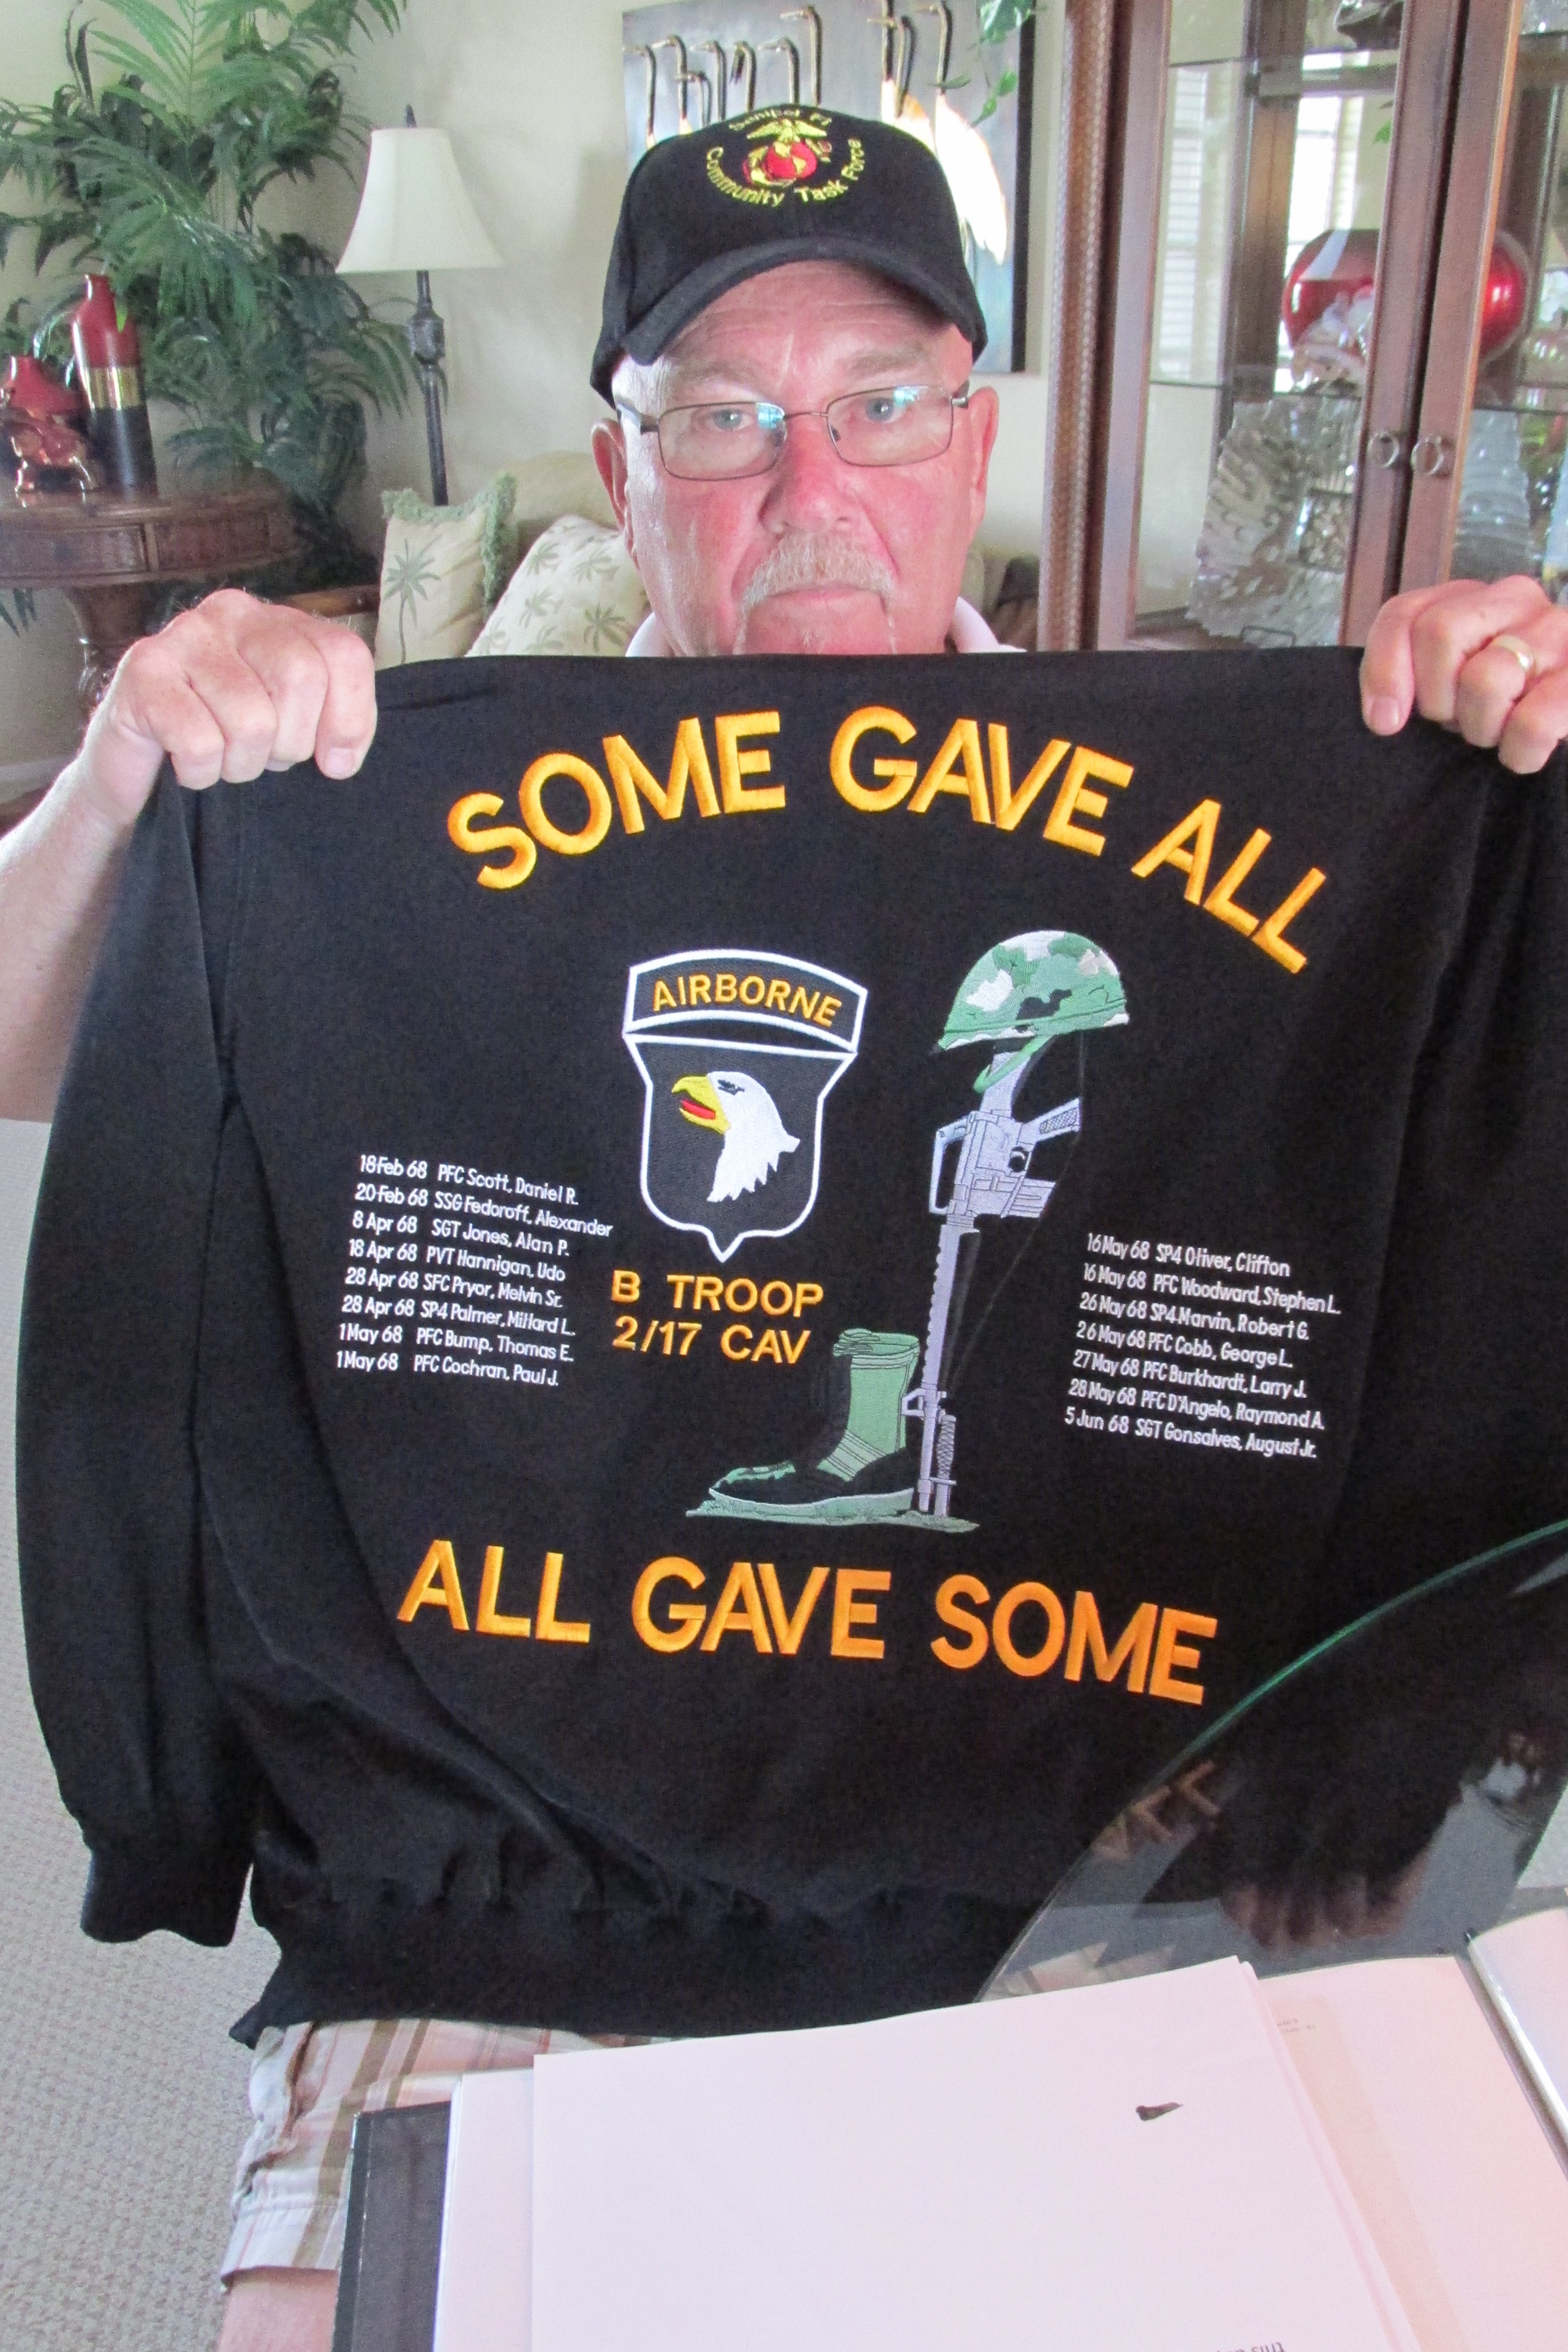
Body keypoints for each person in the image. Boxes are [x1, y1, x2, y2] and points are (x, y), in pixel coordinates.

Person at [3, 107, 1566, 2352]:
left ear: (974, 437)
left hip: (1088, 1882)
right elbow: (42, 1065)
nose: (809, 484)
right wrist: (129, 788)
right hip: (496, 1881)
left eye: (881, 403)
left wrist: (1500, 810)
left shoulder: (1282, 820)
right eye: (725, 417)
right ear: (624, 473)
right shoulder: (382, 799)